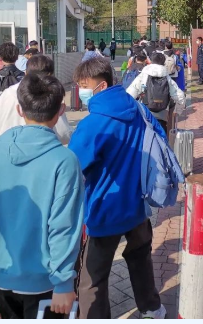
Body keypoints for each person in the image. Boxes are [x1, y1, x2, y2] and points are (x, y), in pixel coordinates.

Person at [0, 74, 84, 319]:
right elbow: (64, 226)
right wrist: (64, 282)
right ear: (61, 110)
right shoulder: (64, 161)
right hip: (43, 280)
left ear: (19, 110)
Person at [68, 58, 167, 319]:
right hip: (137, 204)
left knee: (92, 279)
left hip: (104, 208)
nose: (80, 91)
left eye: (84, 85)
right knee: (141, 258)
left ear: (100, 86)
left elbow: (72, 167)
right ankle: (152, 308)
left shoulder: (93, 124)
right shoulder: (138, 109)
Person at [0, 55, 73, 144]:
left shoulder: (8, 93)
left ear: (26, 72)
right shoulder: (51, 94)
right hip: (41, 147)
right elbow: (63, 133)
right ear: (50, 75)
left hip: (7, 145)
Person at [126, 52, 185, 133]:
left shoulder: (143, 75)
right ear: (163, 63)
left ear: (151, 61)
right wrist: (177, 111)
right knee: (161, 136)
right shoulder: (167, 78)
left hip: (146, 113)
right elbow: (181, 97)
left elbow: (130, 93)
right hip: (163, 115)